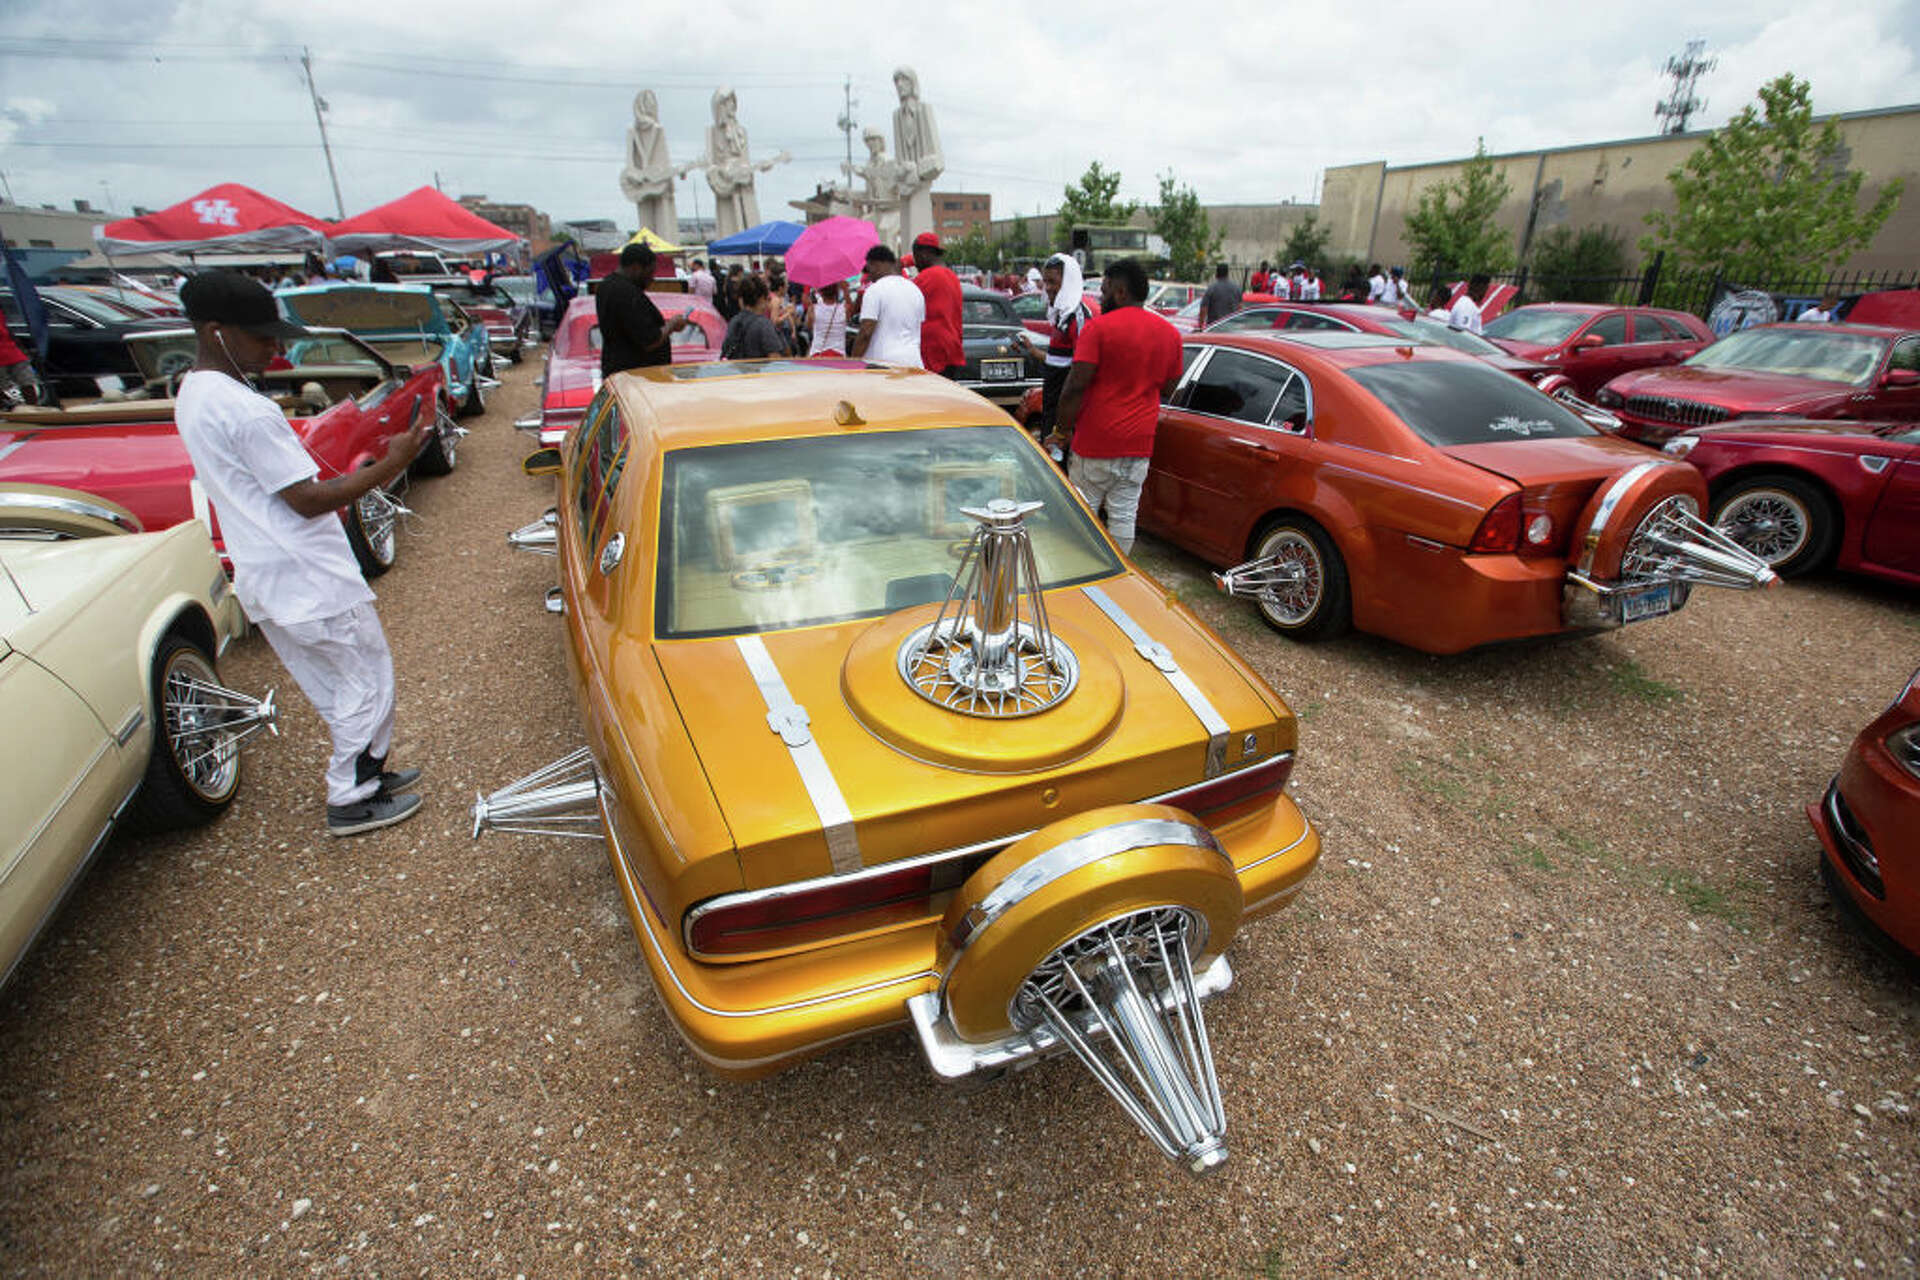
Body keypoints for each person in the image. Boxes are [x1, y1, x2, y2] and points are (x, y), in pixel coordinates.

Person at [171, 271, 427, 836]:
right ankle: (351, 795)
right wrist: (395, 460)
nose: (275, 346)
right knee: (365, 678)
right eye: (262, 336)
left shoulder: (194, 393)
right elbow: (308, 500)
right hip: (306, 574)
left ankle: (368, 772)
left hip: (270, 575)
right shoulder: (243, 408)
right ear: (216, 332)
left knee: (340, 684)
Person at [1045, 258, 1181, 553]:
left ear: (1120, 292)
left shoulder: (1099, 329)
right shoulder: (1170, 334)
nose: (1100, 298)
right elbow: (1170, 387)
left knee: (1082, 517)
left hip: (1096, 441)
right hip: (1139, 445)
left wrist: (1061, 431)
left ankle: (1081, 577)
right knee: (1124, 517)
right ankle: (1119, 579)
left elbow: (1074, 386)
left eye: (1104, 291)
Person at [596, 243, 689, 377]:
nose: (652, 278)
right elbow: (650, 340)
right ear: (636, 267)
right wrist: (671, 325)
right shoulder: (625, 293)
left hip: (618, 369)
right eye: (650, 272)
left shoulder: (607, 285)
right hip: (636, 376)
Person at [1029, 252, 1090, 445]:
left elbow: (1080, 371)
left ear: (1068, 282)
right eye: (1045, 282)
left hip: (1065, 410)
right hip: (1052, 403)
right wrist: (1031, 350)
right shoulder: (1061, 315)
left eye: (1053, 282)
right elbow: (1058, 361)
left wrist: (1066, 426)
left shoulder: (1077, 317)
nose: (1048, 288)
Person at [851, 245, 925, 366]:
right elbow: (917, 328)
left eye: (869, 269)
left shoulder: (874, 290)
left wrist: (852, 364)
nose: (869, 275)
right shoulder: (915, 290)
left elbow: (866, 331)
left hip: (882, 364)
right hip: (914, 362)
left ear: (875, 264)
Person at [909, 232, 964, 378]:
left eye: (915, 256)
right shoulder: (953, 277)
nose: (915, 262)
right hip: (952, 346)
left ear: (924, 254)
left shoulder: (926, 277)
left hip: (932, 350)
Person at [721, 275, 790, 359]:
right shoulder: (764, 325)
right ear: (761, 298)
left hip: (737, 370)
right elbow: (775, 358)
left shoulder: (734, 321)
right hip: (760, 370)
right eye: (767, 299)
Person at [0, 302, 46, 408]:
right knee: (4, 385)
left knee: (27, 381)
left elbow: (7, 330)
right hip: (10, 353)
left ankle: (32, 407)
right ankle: (8, 407)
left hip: (13, 352)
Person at [806, 281, 849, 356]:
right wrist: (845, 289)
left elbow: (809, 326)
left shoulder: (813, 308)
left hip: (817, 353)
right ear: (837, 291)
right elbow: (850, 304)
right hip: (838, 355)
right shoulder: (844, 309)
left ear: (821, 292)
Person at [1198, 263, 1241, 329]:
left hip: (1214, 326)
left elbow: (1204, 308)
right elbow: (1239, 308)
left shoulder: (1212, 288)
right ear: (1227, 274)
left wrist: (1200, 325)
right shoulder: (1236, 288)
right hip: (1231, 327)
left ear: (1217, 273)